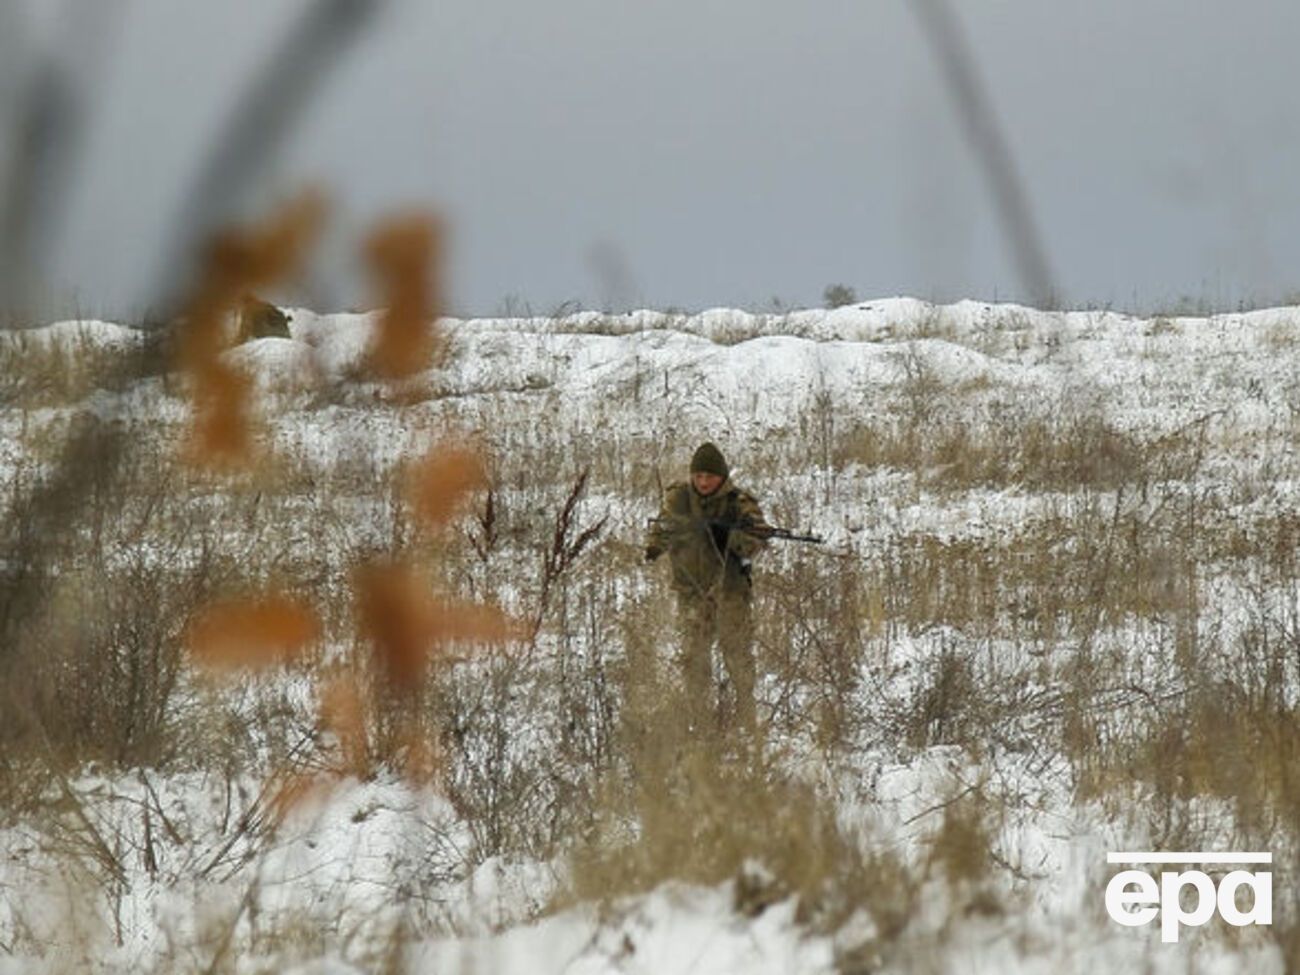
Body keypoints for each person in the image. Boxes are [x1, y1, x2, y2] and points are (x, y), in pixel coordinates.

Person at [644, 442, 770, 735]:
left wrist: (729, 535)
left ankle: (746, 719)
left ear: (722, 477)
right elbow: (663, 527)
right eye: (698, 476)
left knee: (738, 658)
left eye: (709, 477)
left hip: (730, 594)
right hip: (691, 594)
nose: (702, 482)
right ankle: (700, 722)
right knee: (693, 659)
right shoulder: (678, 498)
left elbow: (755, 544)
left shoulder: (740, 503)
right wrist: (655, 547)